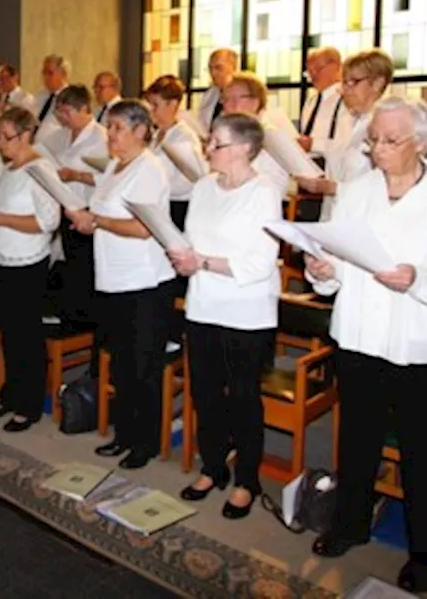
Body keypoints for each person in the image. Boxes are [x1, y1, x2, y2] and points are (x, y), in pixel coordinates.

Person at [304, 97, 427, 594]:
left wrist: (417, 278)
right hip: (359, 334)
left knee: (423, 454)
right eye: (373, 139)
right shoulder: (356, 192)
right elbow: (337, 261)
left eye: (389, 140)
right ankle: (351, 523)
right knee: (356, 440)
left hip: (418, 343)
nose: (377, 149)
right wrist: (325, 272)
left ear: (422, 143)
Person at [169, 113, 281, 519]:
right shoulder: (202, 187)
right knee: (205, 394)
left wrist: (204, 262)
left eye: (216, 143)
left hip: (246, 312)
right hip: (203, 305)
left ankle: (247, 481)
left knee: (245, 399)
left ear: (244, 148)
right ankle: (212, 467)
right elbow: (192, 240)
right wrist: (183, 257)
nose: (208, 149)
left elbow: (260, 263)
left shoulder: (264, 192)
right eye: (209, 142)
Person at [66, 101, 178, 470]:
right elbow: (104, 212)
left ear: (141, 131)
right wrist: (86, 219)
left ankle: (144, 443)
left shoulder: (150, 169)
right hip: (114, 277)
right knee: (123, 365)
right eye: (109, 127)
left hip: (144, 281)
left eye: (117, 128)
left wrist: (96, 221)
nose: (110, 135)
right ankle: (124, 434)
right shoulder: (115, 166)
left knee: (143, 366)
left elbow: (144, 228)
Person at [0, 107, 60, 432]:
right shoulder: (11, 168)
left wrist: (1, 219)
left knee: (27, 336)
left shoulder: (41, 168)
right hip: (2, 257)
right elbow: (7, 207)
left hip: (27, 263)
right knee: (9, 334)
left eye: (5, 137)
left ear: (24, 136)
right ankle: (10, 395)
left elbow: (48, 222)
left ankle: (29, 405)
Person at [295, 48, 393, 219]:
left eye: (352, 82)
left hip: (367, 219)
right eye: (344, 82)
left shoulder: (389, 126)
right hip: (338, 216)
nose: (345, 90)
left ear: (377, 83)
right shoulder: (353, 122)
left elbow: (387, 185)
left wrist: (330, 188)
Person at [54, 85, 108, 340]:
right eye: (60, 112)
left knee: (87, 267)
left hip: (89, 208)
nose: (63, 118)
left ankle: (89, 322)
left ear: (84, 110)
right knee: (71, 266)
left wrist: (76, 175)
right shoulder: (64, 135)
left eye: (67, 112)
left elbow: (108, 176)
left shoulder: (101, 136)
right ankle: (74, 319)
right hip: (68, 206)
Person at [145, 75, 207, 230]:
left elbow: (191, 179)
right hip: (160, 202)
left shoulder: (184, 136)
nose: (151, 111)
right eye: (149, 105)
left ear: (172, 105)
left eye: (155, 105)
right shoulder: (155, 135)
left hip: (179, 206)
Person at [220, 71, 290, 193]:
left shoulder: (270, 136)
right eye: (226, 99)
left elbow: (277, 185)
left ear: (255, 102)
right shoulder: (228, 134)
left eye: (235, 98)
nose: (229, 105)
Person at [298, 46, 352, 158]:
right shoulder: (311, 102)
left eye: (318, 69)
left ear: (337, 66)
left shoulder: (348, 99)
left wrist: (314, 144)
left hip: (335, 166)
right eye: (309, 71)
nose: (313, 75)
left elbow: (348, 143)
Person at [192, 47, 239, 137]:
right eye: (210, 68)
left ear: (233, 67)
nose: (213, 73)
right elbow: (202, 123)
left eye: (218, 68)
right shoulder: (209, 95)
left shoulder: (244, 93)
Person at [34, 54, 71, 152]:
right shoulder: (40, 95)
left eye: (50, 73)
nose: (45, 77)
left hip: (56, 151)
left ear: (63, 74)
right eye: (44, 73)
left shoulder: (70, 98)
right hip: (35, 148)